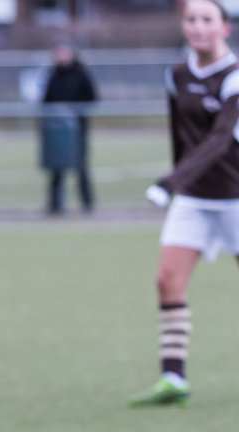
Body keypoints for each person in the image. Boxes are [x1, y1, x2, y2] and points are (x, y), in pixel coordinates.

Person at [136, 0, 239, 407]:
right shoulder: (176, 75)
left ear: (224, 28)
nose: (197, 27)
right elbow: (180, 136)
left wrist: (169, 182)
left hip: (235, 196)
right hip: (195, 198)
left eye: (206, 20)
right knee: (167, 280)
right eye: (190, 19)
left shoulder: (234, 77)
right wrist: (179, 182)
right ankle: (173, 378)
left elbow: (218, 141)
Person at [40, 42, 98, 215]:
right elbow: (45, 99)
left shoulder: (81, 73)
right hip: (57, 128)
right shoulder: (53, 74)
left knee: (81, 166)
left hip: (77, 127)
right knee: (57, 167)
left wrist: (73, 109)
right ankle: (55, 204)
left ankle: (87, 204)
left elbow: (92, 97)